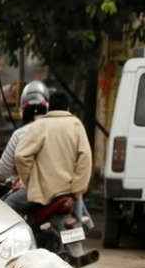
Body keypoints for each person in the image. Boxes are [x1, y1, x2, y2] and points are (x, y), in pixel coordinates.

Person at [12, 90, 93, 224]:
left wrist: (31, 181)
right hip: (68, 193)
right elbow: (85, 159)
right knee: (78, 219)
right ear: (67, 109)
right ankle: (83, 224)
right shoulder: (76, 125)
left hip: (42, 193)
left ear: (49, 108)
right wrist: (76, 191)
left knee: (8, 203)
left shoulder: (39, 125)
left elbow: (21, 156)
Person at [0, 80, 48, 195]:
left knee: (8, 205)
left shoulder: (20, 134)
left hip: (34, 192)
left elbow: (2, 171)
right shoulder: (57, 131)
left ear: (23, 109)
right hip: (61, 188)